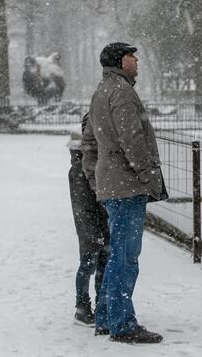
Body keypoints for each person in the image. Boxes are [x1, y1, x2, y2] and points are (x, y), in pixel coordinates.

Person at [81, 42, 168, 344]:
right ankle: (122, 323)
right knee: (126, 256)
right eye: (132, 56)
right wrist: (148, 176)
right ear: (120, 60)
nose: (137, 61)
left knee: (117, 252)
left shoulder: (101, 91)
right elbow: (133, 140)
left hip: (112, 184)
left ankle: (106, 316)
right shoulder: (121, 92)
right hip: (127, 185)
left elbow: (89, 142)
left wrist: (96, 180)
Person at [68, 112, 110, 325]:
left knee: (103, 264)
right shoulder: (80, 168)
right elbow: (82, 207)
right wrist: (94, 233)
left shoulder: (98, 159)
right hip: (90, 228)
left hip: (102, 223)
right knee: (88, 264)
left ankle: (102, 304)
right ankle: (82, 307)